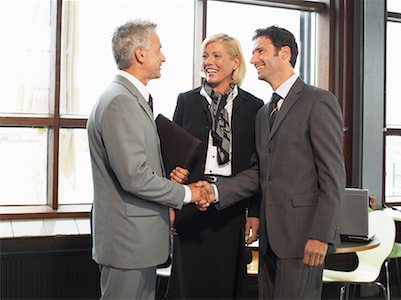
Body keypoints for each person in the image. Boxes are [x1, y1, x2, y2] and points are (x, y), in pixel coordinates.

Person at [199, 25, 346, 299]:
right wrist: (216, 190)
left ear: (285, 53)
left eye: (260, 51)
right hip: (269, 243)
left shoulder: (319, 101)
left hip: (304, 239)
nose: (253, 59)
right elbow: (259, 173)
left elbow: (333, 178)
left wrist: (321, 235)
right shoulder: (264, 112)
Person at [87, 19, 209, 300]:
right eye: (158, 49)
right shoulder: (121, 101)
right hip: (127, 242)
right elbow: (134, 176)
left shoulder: (130, 98)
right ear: (140, 54)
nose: (163, 56)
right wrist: (187, 193)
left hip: (137, 242)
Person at [167, 33, 264, 299]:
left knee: (225, 283)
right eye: (205, 56)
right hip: (191, 204)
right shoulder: (186, 100)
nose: (208, 62)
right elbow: (174, 155)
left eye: (216, 56)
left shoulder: (254, 107)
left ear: (235, 62)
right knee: (189, 283)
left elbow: (258, 166)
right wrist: (173, 203)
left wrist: (254, 212)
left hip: (231, 207)